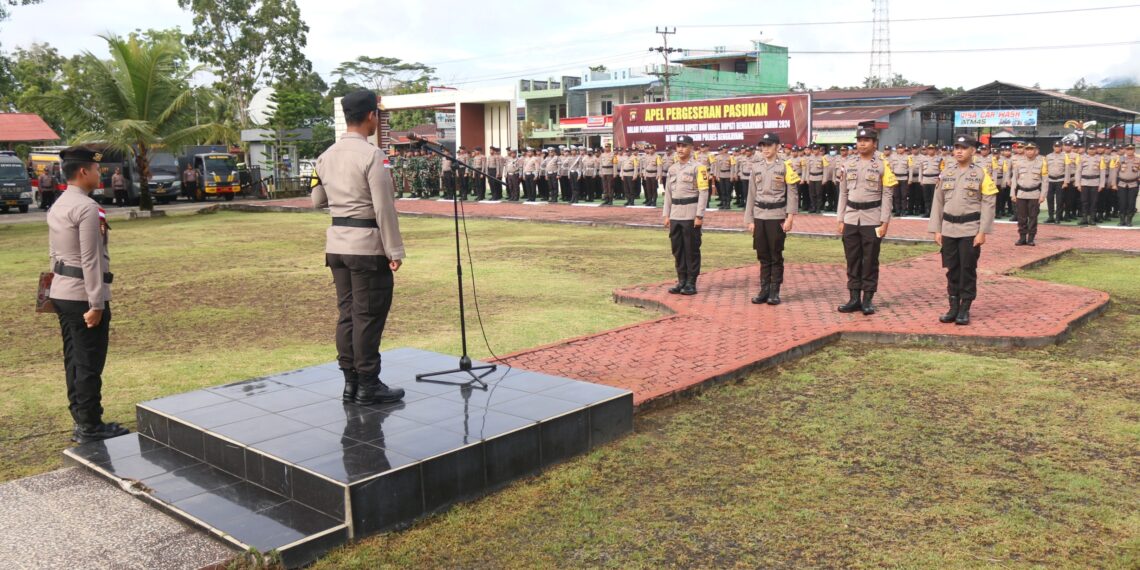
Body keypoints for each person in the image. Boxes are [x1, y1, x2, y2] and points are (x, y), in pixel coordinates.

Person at [310, 90, 406, 405]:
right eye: (377, 114)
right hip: (366, 246)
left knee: (348, 314)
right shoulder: (373, 155)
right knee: (368, 314)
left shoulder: (325, 156)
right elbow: (384, 208)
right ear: (369, 116)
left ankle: (350, 382)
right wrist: (394, 251)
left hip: (337, 244)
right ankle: (368, 383)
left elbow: (317, 200)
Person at [47, 145, 130, 444]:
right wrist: (96, 303)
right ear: (84, 171)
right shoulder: (86, 207)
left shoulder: (59, 204)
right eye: (96, 169)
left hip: (63, 292)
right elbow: (90, 259)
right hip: (84, 295)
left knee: (74, 357)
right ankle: (91, 426)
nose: (100, 173)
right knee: (89, 361)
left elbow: (55, 254)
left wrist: (52, 288)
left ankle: (81, 418)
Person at [929, 134, 997, 326]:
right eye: (956, 147)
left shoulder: (982, 174)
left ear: (973, 151)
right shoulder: (946, 173)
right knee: (952, 269)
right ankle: (953, 307)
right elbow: (938, 202)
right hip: (949, 229)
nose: (959, 151)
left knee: (967, 269)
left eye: (964, 147)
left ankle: (965, 308)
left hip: (970, 229)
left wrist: (983, 231)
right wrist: (936, 229)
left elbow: (989, 203)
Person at [835, 127, 897, 315]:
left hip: (872, 217)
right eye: (859, 140)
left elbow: (887, 195)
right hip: (851, 216)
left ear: (874, 143)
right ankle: (854, 298)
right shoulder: (848, 163)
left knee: (870, 259)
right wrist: (840, 218)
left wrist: (885, 221)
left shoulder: (883, 164)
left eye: (866, 140)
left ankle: (867, 299)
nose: (862, 143)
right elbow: (843, 192)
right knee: (852, 258)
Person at [744, 132, 800, 305]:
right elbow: (751, 194)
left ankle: (774, 291)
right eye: (763, 146)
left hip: (777, 216)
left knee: (775, 254)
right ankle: (764, 289)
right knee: (762, 254)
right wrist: (750, 219)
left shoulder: (785, 166)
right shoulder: (756, 167)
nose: (765, 149)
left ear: (777, 146)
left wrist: (790, 217)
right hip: (760, 215)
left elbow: (792, 194)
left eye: (769, 145)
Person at [662, 135, 709, 295]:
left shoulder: (698, 167)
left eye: (684, 146)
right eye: (678, 146)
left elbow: (703, 192)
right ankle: (681, 280)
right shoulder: (672, 169)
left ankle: (691, 282)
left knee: (691, 249)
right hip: (675, 213)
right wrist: (666, 214)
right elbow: (668, 193)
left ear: (691, 148)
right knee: (677, 249)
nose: (680, 149)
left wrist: (699, 215)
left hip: (690, 213)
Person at [1010, 142, 1048, 246]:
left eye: (1032, 149)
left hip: (1034, 194)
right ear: (1025, 151)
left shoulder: (1041, 163)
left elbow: (1045, 180)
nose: (1029, 151)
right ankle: (1022, 238)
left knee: (1033, 217)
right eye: (1027, 149)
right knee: (1021, 217)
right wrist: (1013, 193)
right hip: (1021, 193)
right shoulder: (1018, 162)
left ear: (1036, 151)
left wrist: (1043, 195)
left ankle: (1031, 238)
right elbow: (1014, 179)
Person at [1075, 142, 1105, 226]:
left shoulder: (1100, 158)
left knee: (1094, 202)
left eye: (1093, 149)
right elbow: (1078, 171)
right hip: (1084, 182)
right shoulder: (1081, 158)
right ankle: (1084, 218)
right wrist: (1078, 184)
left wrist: (1101, 184)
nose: (1092, 151)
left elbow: (1102, 172)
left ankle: (1092, 219)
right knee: (1084, 201)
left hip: (1095, 182)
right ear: (1087, 149)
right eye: (1090, 149)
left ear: (1096, 149)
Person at [1113, 144, 1138, 226]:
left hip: (1133, 184)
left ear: (1134, 150)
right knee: (1122, 202)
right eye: (1128, 149)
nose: (1129, 151)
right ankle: (1122, 220)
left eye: (1131, 149)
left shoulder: (1138, 159)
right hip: (1122, 183)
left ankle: (1129, 220)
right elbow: (1115, 172)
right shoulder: (1120, 159)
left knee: (1131, 202)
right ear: (1125, 150)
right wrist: (1114, 184)